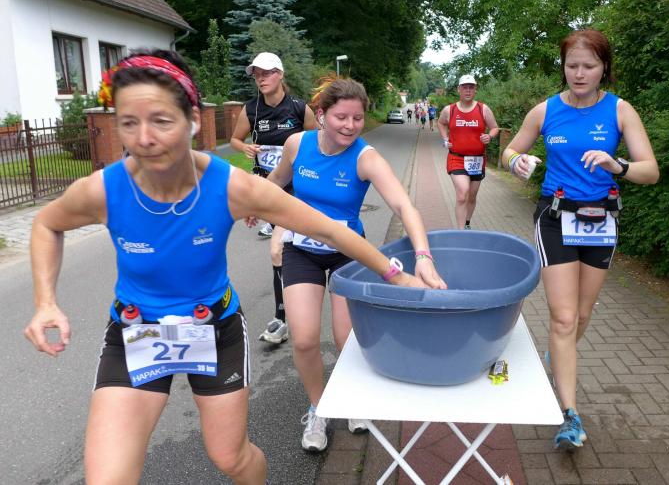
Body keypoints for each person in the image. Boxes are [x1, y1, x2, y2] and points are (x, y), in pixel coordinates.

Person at [23, 50, 426, 484]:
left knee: (230, 457)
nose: (144, 139)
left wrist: (399, 274)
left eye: (161, 121)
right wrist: (45, 301)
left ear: (193, 119)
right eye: (128, 123)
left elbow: (329, 230)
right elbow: (47, 224)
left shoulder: (230, 186)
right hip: (136, 330)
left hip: (213, 330)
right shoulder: (102, 189)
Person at [267, 76, 448, 452]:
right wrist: (262, 211)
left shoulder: (366, 157)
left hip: (348, 252)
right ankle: (319, 408)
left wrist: (423, 257)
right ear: (321, 114)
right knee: (304, 339)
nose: (350, 126)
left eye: (357, 118)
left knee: (347, 339)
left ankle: (352, 399)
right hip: (302, 250)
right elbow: (276, 182)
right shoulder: (297, 144)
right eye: (341, 117)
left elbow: (404, 206)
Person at [502, 29, 659, 450]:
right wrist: (517, 162)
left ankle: (559, 355)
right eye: (572, 65)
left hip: (601, 221)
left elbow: (650, 171)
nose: (579, 73)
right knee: (564, 318)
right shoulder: (545, 110)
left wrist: (617, 165)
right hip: (555, 218)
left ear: (604, 67)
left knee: (582, 316)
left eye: (589, 66)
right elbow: (508, 150)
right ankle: (569, 415)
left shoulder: (620, 110)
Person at [230, 52, 317, 345]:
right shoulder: (250, 109)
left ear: (280, 74)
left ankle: (282, 317)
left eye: (266, 73)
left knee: (278, 249)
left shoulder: (299, 108)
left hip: (297, 189)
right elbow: (235, 139)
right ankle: (286, 313)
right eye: (256, 74)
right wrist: (244, 147)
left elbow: (317, 142)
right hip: (268, 187)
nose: (261, 79)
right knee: (282, 249)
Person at [437, 75, 500, 229]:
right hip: (456, 158)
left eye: (471, 87)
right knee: (462, 193)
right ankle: (460, 232)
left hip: (477, 160)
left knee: (471, 196)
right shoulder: (450, 110)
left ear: (475, 90)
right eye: (465, 87)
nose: (468, 90)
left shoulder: (483, 109)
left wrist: (489, 136)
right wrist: (445, 139)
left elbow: (494, 127)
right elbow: (441, 123)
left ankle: (466, 224)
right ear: (459, 89)